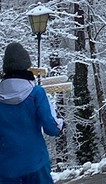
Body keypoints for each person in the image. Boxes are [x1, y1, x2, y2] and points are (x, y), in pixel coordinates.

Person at [0, 42, 63, 184]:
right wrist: (60, 124)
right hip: (35, 164)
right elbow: (51, 128)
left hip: (5, 169)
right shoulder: (36, 93)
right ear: (26, 65)